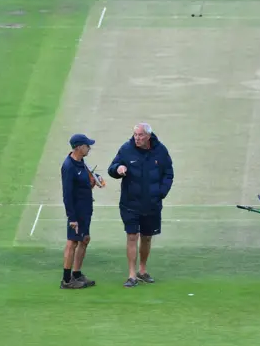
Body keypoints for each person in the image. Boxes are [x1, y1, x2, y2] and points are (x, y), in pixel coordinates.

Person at [107, 123, 174, 287]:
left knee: (146, 237)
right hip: (130, 203)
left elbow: (168, 173)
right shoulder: (126, 149)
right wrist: (118, 169)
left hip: (152, 203)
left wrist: (160, 193)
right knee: (132, 236)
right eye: (135, 135)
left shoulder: (160, 150)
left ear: (148, 136)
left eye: (140, 135)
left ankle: (142, 271)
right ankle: (131, 275)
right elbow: (112, 168)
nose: (137, 138)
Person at [60, 133, 105, 289]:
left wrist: (95, 178)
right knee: (72, 242)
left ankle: (77, 274)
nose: (89, 148)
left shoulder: (81, 162)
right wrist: (72, 218)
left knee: (84, 239)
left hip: (86, 209)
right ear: (79, 147)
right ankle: (66, 280)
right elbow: (67, 194)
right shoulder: (68, 167)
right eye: (87, 146)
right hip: (77, 211)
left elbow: (86, 178)